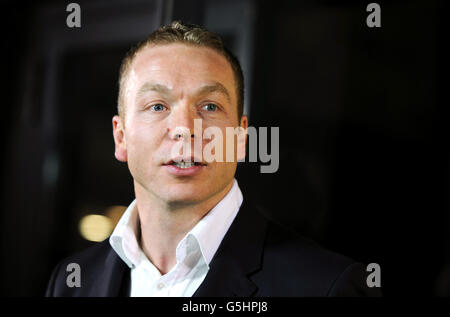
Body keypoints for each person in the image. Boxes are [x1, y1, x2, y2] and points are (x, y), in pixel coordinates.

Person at [45, 21, 381, 297]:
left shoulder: (326, 287)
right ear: (121, 137)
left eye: (209, 107)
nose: (185, 129)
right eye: (157, 106)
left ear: (240, 138)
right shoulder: (71, 281)